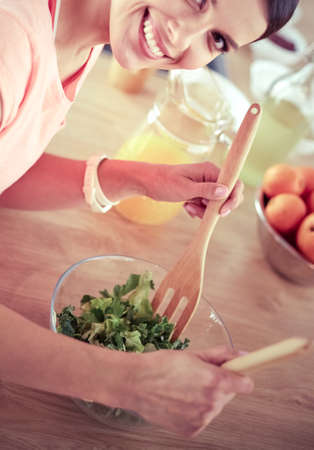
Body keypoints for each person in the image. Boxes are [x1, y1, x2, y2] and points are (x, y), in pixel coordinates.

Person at [0, 0, 299, 438]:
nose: (183, 37)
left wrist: (138, 178)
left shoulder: (76, 37)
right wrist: (130, 381)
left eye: (217, 39)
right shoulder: (10, 42)